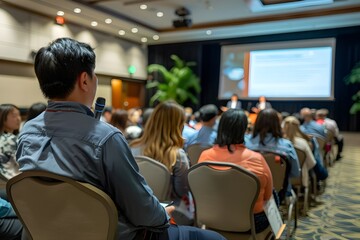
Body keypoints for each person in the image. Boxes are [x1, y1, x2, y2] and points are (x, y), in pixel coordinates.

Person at [16, 38, 224, 240]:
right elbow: (142, 211)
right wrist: (162, 214)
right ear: (85, 80)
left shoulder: (27, 132)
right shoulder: (105, 138)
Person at [198, 109, 273, 233]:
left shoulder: (204, 156)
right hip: (250, 224)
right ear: (244, 129)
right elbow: (268, 196)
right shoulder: (257, 159)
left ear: (220, 127)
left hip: (211, 219)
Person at [130, 101, 194, 226]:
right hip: (168, 216)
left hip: (135, 211)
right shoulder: (177, 155)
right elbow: (182, 192)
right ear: (178, 125)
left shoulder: (132, 148)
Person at [245, 108, 301, 197]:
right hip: (279, 193)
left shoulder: (245, 143)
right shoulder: (287, 146)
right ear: (277, 124)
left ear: (257, 122)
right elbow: (295, 173)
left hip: (248, 191)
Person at [0, 104, 21, 180]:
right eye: (14, 116)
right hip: (11, 182)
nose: (18, 118)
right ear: (2, 118)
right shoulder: (10, 139)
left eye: (19, 115)